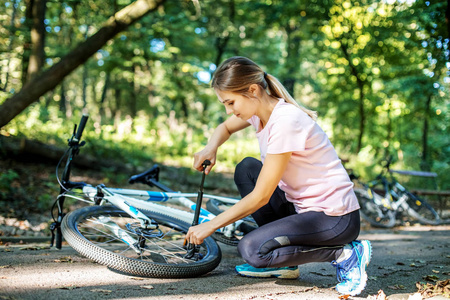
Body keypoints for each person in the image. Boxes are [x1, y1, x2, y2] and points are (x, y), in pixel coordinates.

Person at [186, 56, 372, 296]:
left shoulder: (285, 121)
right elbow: (224, 128)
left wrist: (210, 225)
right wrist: (211, 147)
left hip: (334, 218)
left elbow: (261, 197)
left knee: (252, 250)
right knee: (247, 168)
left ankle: (345, 254)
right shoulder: (258, 112)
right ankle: (286, 260)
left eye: (231, 102)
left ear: (252, 90)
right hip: (304, 210)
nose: (228, 110)